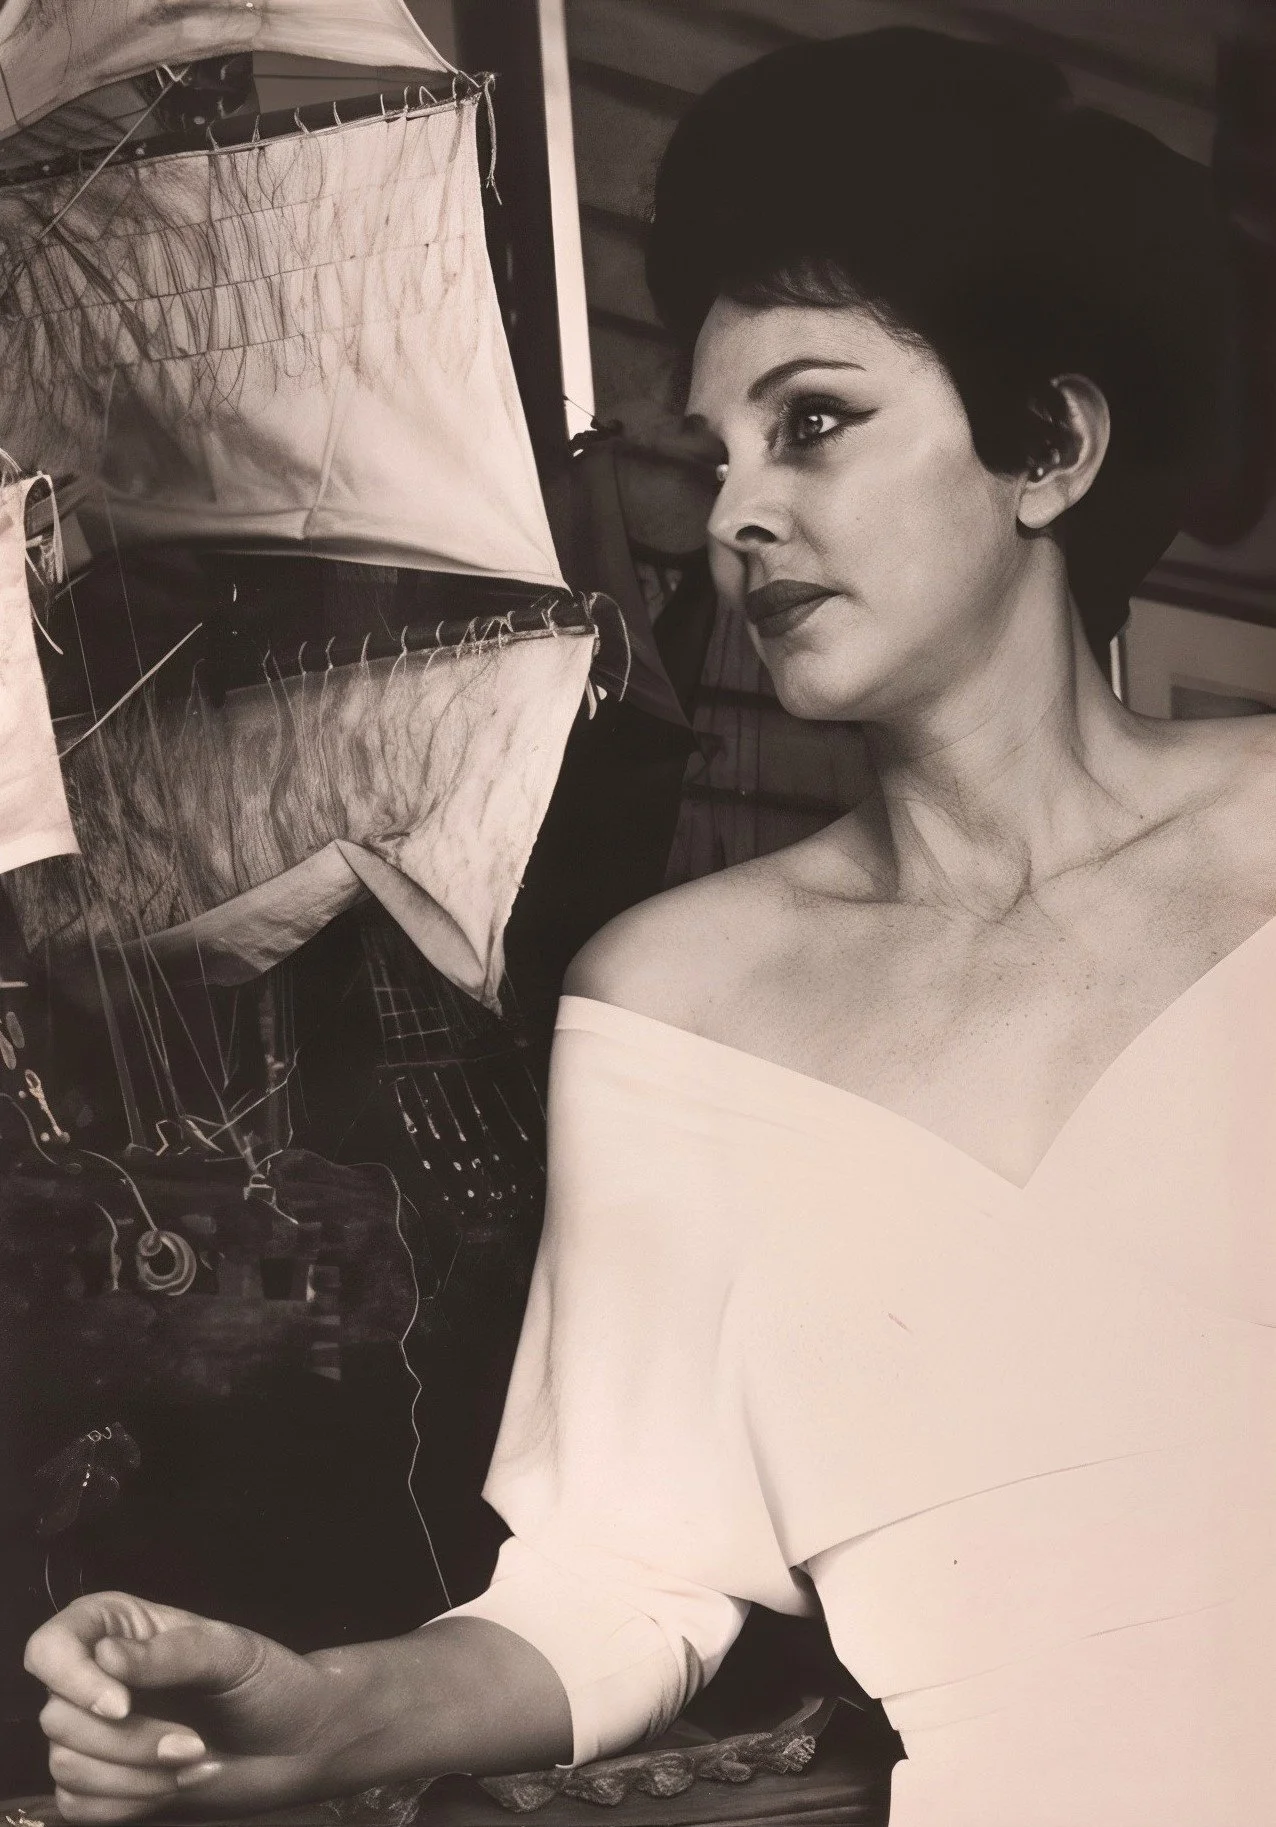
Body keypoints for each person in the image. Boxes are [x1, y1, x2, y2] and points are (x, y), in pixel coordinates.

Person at [24, 29, 1276, 1826]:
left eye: (814, 422)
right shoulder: (674, 998)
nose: (737, 510)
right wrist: (311, 1712)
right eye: (718, 450)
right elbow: (617, 1588)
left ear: (1049, 448)